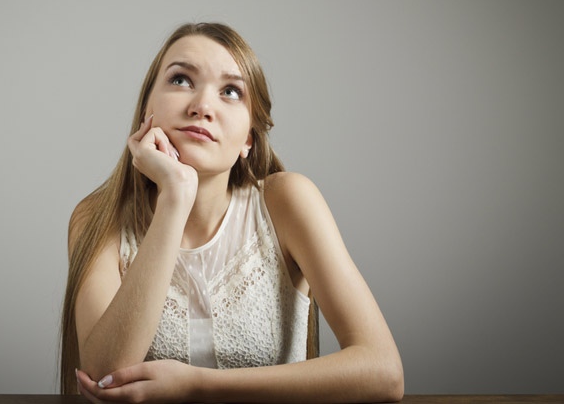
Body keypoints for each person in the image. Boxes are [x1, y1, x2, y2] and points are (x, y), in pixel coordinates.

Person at [61, 22, 404, 403]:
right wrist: (176, 196)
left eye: (230, 91)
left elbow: (384, 372)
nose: (202, 106)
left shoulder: (288, 203)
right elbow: (103, 377)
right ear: (147, 109)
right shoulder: (96, 218)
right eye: (180, 80)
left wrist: (197, 386)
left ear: (249, 139)